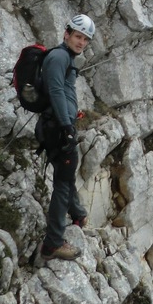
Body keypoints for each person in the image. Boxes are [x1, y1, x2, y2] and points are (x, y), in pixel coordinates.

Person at [36, 13, 95, 262]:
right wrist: (67, 127)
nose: (82, 42)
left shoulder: (64, 58)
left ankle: (78, 214)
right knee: (62, 183)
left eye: (86, 39)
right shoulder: (59, 57)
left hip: (57, 126)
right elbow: (56, 91)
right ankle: (53, 243)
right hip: (59, 129)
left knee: (66, 175)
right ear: (66, 34)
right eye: (78, 36)